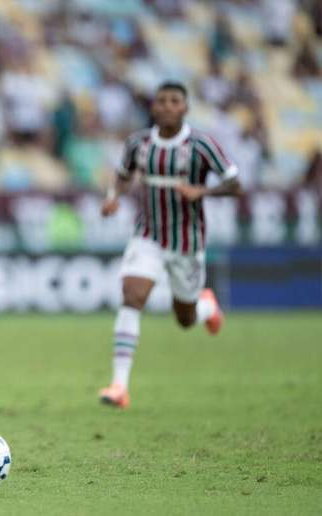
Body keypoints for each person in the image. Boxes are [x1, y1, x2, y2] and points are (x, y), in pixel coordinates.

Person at [98, 81, 240, 409]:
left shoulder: (202, 145)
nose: (166, 106)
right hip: (147, 233)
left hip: (186, 242)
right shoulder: (138, 143)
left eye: (174, 101)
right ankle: (119, 386)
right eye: (161, 100)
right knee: (132, 296)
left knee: (185, 318)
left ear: (185, 108)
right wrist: (112, 198)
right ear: (153, 107)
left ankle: (207, 307)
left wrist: (201, 192)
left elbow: (235, 184)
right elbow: (123, 174)